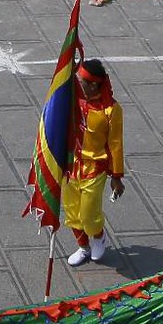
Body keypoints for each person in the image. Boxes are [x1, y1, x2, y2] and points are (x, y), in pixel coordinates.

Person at [64, 59, 125, 266]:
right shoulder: (74, 99)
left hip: (95, 167)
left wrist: (116, 177)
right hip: (71, 164)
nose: (77, 82)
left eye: (80, 80)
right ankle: (83, 247)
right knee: (72, 211)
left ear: (92, 85)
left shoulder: (111, 110)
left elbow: (116, 144)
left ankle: (98, 237)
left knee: (89, 213)